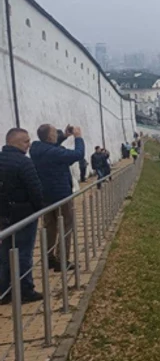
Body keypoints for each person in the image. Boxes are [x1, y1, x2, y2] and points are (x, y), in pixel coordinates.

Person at [30, 124, 84, 273]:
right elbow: (78, 154)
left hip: (45, 196)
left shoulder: (36, 149)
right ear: (50, 137)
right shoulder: (55, 153)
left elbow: (50, 148)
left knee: (50, 227)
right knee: (66, 225)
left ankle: (49, 258)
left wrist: (64, 137)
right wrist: (78, 137)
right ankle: (62, 260)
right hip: (61, 195)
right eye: (55, 133)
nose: (57, 134)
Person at [0, 128, 45, 303]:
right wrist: (39, 209)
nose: (29, 144)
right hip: (23, 215)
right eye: (26, 141)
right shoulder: (23, 162)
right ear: (15, 142)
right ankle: (25, 290)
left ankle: (4, 291)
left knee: (4, 254)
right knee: (23, 254)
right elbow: (35, 189)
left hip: (3, 216)